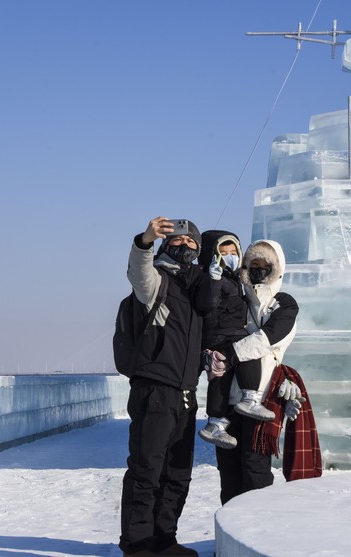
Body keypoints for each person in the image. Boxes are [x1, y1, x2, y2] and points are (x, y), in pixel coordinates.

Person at [118, 216, 203, 557]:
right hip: (154, 390)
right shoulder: (157, 281)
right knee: (146, 471)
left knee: (178, 474)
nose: (184, 247)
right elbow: (139, 271)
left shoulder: (197, 288)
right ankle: (138, 545)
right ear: (167, 245)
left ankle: (165, 539)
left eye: (190, 243)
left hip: (186, 393)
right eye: (178, 242)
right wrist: (144, 241)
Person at [203, 239, 311, 504]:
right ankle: (230, 540)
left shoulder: (284, 303)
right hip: (228, 397)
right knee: (228, 472)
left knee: (255, 470)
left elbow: (268, 338)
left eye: (265, 265)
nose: (258, 270)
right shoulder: (236, 298)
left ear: (277, 267)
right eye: (253, 265)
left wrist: (228, 353)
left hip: (261, 398)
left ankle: (258, 531)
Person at [194, 231, 272, 451]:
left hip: (226, 332)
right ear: (213, 255)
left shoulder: (236, 277)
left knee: (220, 375)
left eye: (233, 252)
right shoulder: (209, 277)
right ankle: (250, 398)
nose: (229, 256)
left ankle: (215, 422)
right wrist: (213, 280)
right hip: (222, 331)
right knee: (248, 350)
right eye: (223, 252)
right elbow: (205, 303)